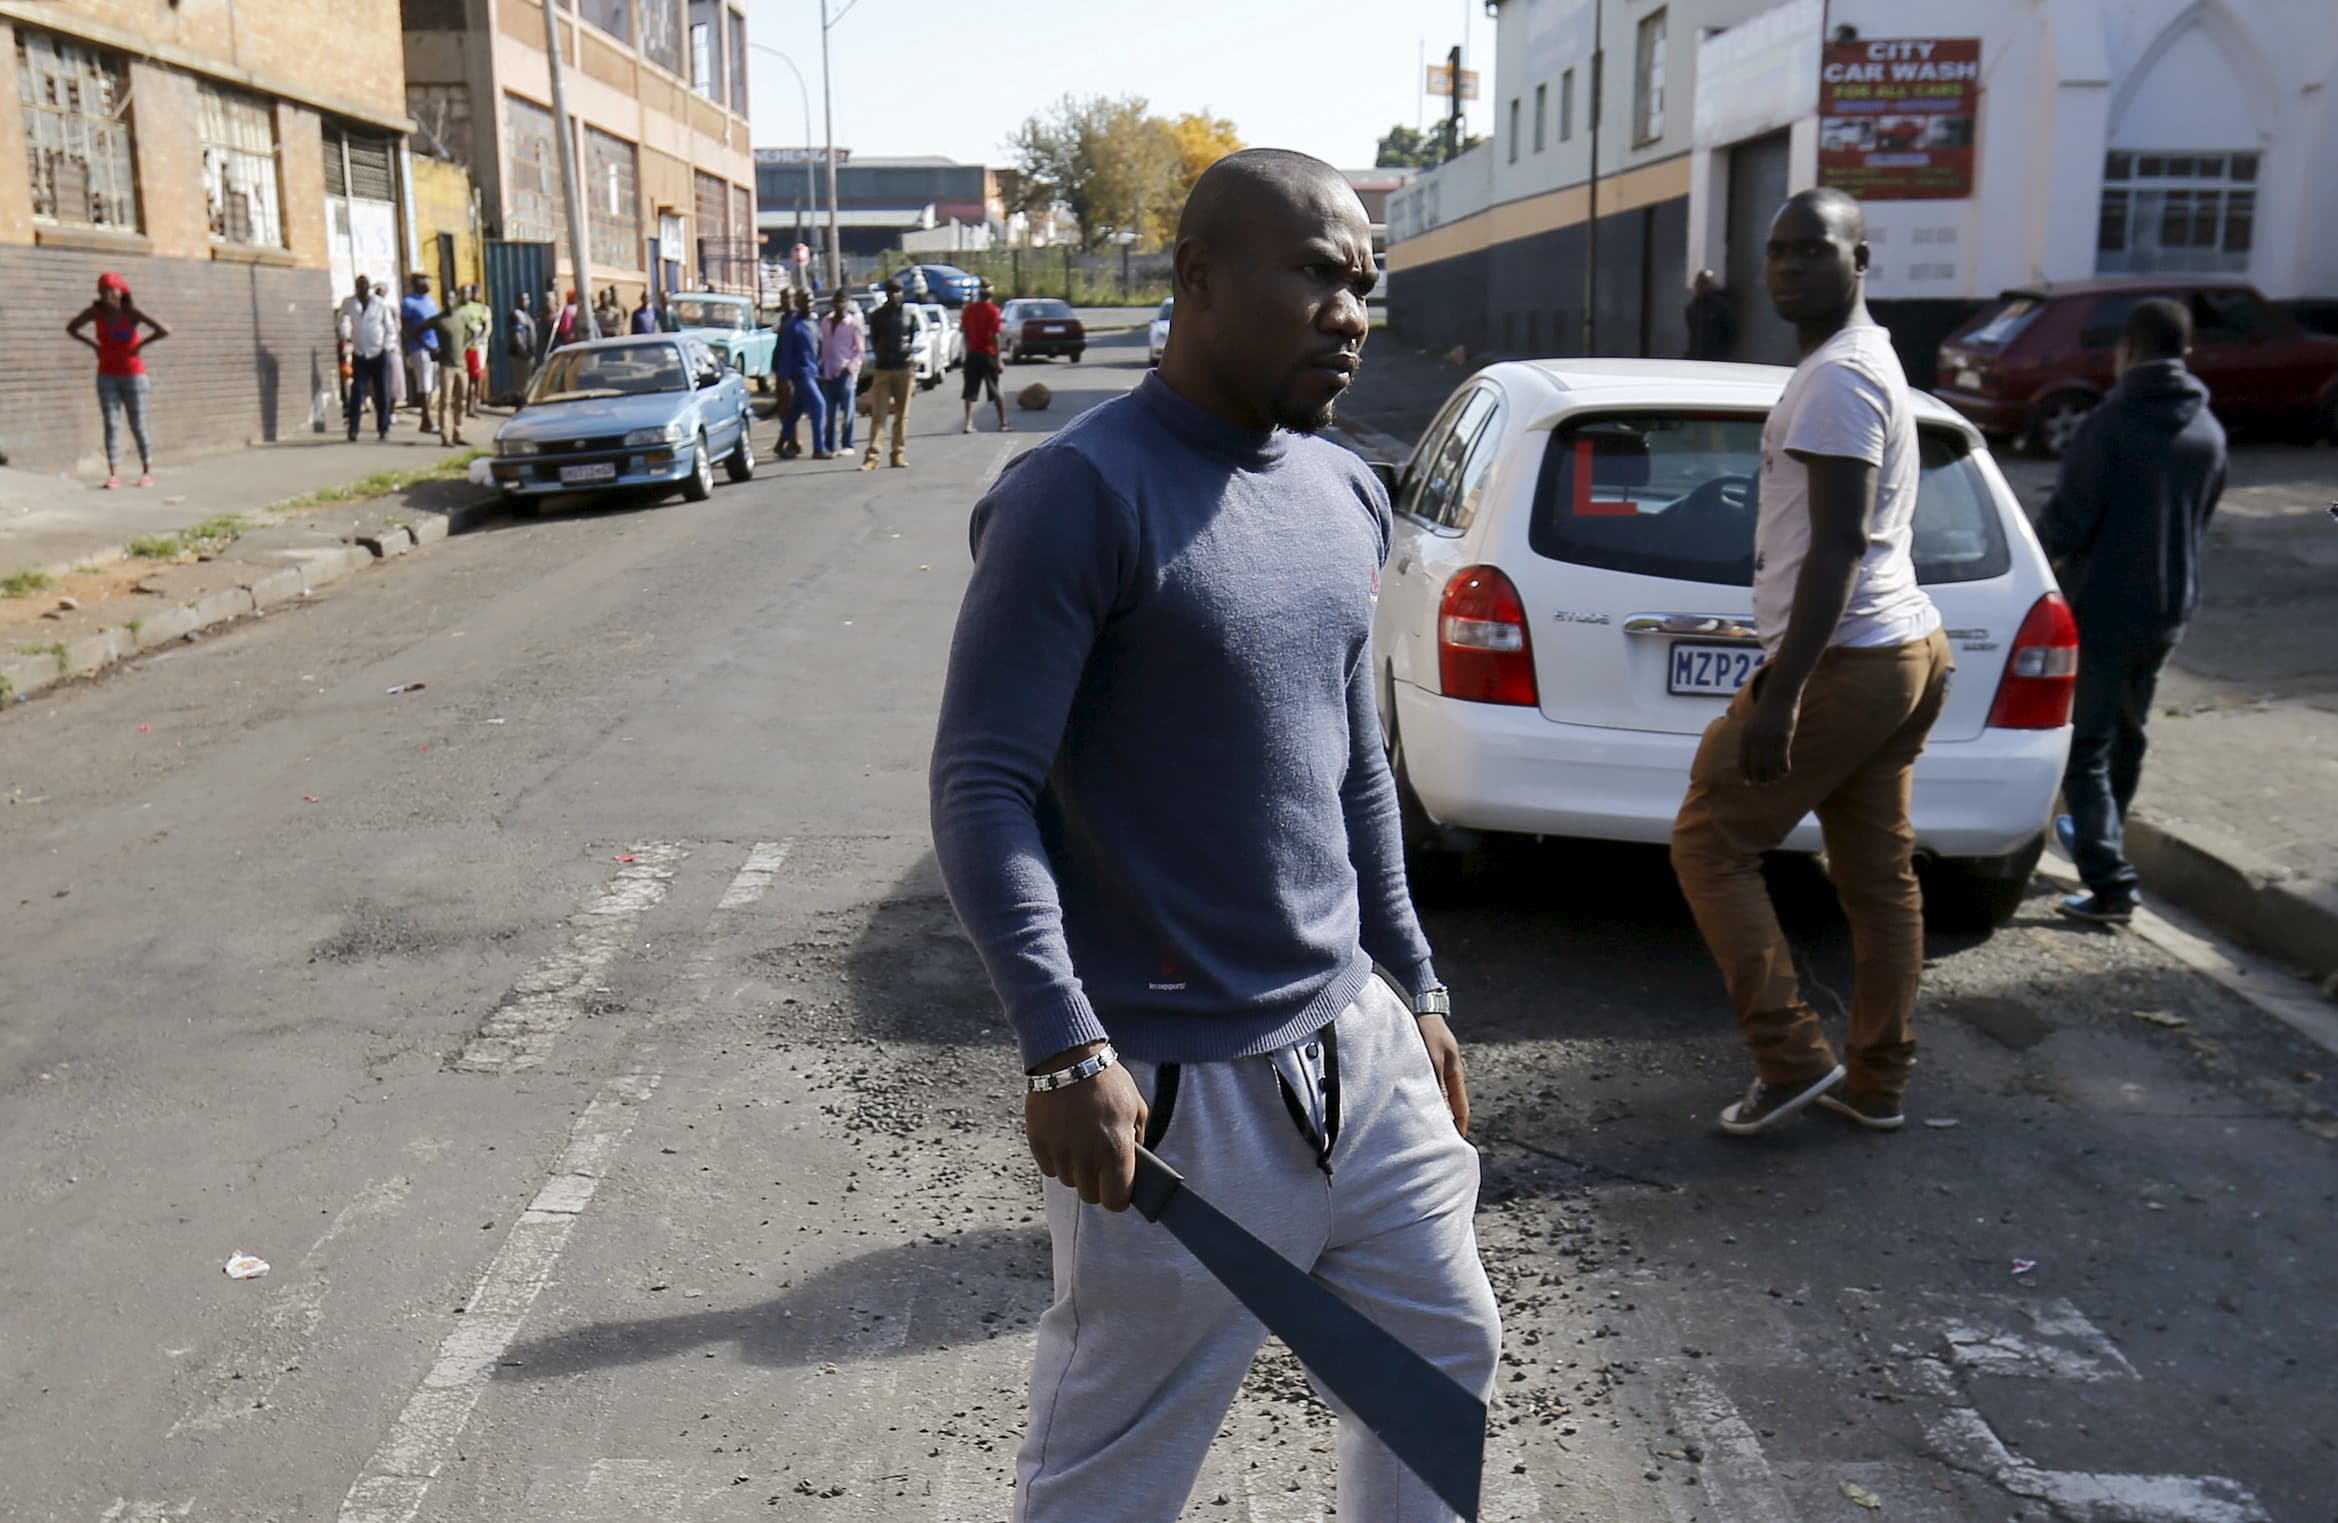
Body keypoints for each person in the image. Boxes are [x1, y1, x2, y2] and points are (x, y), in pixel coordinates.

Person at [929, 148, 1498, 1523]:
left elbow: (1352, 758)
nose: (1349, 311)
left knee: (1439, 1362)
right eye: (1311, 272)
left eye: (1361, 282)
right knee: (1116, 1465)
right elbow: (980, 782)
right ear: (1195, 277)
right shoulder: (1078, 493)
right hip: (1180, 1091)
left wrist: (1408, 978)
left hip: (1355, 1050)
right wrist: (1063, 1040)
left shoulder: (1344, 488)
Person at [1669, 187, 1951, 1138]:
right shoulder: (1859, 363)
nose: (1786, 265)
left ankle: (1790, 1056)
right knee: (1878, 880)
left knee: (1710, 843)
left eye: (1812, 249)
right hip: (1900, 649)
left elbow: (1840, 542)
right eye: (1777, 250)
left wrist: (1779, 695)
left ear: (1860, 260)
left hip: (1846, 660)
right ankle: (1877, 1079)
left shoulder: (1837, 378)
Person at [2035, 298, 2226, 925]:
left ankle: (2109, 881)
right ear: (2186, 352)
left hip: (2107, 610)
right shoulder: (2207, 429)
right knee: (2129, 738)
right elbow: (2202, 520)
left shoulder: (2110, 425)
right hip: (2170, 611)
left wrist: (2035, 568)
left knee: (2087, 747)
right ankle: (2102, 843)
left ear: (2129, 351)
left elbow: (2069, 519)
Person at [67, 271, 168, 487]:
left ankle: (146, 470)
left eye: (111, 290)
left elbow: (163, 329)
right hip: (107, 374)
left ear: (121, 291)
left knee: (137, 423)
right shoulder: (96, 313)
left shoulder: (131, 313)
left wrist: (139, 346)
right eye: (103, 290)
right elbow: (72, 328)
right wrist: (94, 345)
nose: (107, 295)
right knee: (111, 423)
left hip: (133, 375)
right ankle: (113, 474)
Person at [859, 281, 915, 470]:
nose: (895, 295)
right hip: (883, 369)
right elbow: (875, 340)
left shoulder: (909, 314)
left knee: (902, 415)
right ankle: (872, 456)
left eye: (898, 291)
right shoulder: (877, 316)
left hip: (904, 368)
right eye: (891, 292)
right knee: (879, 414)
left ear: (903, 293)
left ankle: (897, 454)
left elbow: (911, 336)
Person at [337, 274, 398, 441]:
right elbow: (341, 318)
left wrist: (386, 346)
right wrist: (345, 334)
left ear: (369, 288)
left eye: (364, 287)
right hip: (360, 352)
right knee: (358, 392)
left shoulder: (379, 304)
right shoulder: (350, 303)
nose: (361, 290)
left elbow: (390, 328)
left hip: (378, 352)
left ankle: (383, 428)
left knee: (382, 391)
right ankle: (353, 429)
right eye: (358, 287)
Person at [777, 289, 830, 460]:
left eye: (811, 301)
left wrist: (822, 369)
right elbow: (785, 353)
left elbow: (819, 348)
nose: (809, 304)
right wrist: (784, 377)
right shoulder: (793, 325)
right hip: (800, 372)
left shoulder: (814, 324)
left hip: (813, 370)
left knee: (795, 411)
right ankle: (819, 447)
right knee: (819, 405)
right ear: (798, 303)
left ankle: (780, 443)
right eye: (805, 301)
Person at [818, 289, 865, 455]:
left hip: (845, 372)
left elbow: (859, 351)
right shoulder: (826, 322)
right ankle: (830, 445)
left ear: (847, 303)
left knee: (848, 411)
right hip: (829, 371)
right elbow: (823, 346)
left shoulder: (853, 324)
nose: (840, 305)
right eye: (837, 301)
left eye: (843, 302)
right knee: (830, 413)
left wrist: (851, 367)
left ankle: (847, 443)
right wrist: (822, 365)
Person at [958, 279, 1009, 434]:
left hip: (973, 354)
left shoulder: (969, 310)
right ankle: (1003, 423)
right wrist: (999, 358)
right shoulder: (994, 311)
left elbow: (965, 332)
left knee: (969, 391)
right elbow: (995, 336)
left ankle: (968, 423)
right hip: (988, 354)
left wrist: (967, 351)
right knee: (995, 389)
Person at [426, 300, 472, 446]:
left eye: (452, 299)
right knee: (445, 401)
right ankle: (445, 436)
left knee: (462, 401)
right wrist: (431, 348)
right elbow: (415, 332)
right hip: (446, 366)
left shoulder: (461, 317)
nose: (449, 303)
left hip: (461, 366)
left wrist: (467, 345)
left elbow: (474, 331)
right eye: (446, 299)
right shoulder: (438, 320)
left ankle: (458, 433)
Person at [400, 274, 442, 435]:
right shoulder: (409, 302)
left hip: (435, 347)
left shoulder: (431, 301)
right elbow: (407, 329)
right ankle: (427, 419)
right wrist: (414, 348)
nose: (428, 285)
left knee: (433, 384)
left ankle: (427, 419)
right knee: (423, 385)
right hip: (420, 348)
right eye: (424, 282)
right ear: (416, 284)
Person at [455, 284, 492, 420]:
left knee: (474, 378)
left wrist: (480, 338)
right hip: (460, 348)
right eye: (463, 292)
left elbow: (486, 326)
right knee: (460, 378)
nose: (466, 294)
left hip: (474, 348)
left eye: (468, 292)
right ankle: (460, 404)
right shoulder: (455, 309)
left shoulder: (479, 308)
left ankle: (472, 406)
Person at [1685, 268, 1735, 362]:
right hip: (1695, 356)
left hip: (1716, 358)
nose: (1701, 287)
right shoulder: (1691, 308)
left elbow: (1729, 332)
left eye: (1704, 283)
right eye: (1699, 283)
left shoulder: (1720, 307)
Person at [507, 292, 540, 402]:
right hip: (520, 356)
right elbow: (517, 336)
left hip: (528, 355)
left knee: (527, 384)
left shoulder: (526, 315)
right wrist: (523, 352)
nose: (525, 302)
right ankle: (520, 408)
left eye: (526, 299)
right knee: (522, 385)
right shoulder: (516, 315)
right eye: (522, 299)